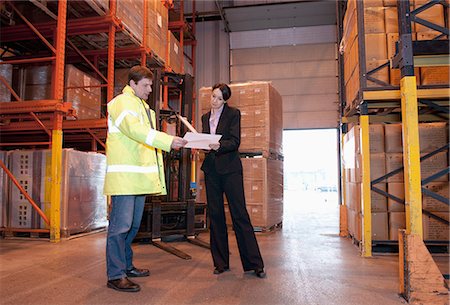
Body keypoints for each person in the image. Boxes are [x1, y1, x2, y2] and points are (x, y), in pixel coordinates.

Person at [103, 65, 187, 292]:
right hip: (125, 178)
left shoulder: (144, 108)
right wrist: (168, 141)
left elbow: (145, 140)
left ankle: (126, 265)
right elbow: (136, 131)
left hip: (137, 178)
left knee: (132, 227)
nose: (151, 89)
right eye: (146, 85)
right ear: (132, 84)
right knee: (120, 228)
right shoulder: (122, 103)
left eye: (151, 85)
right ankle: (115, 275)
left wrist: (168, 140)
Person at [200, 83, 266, 278]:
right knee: (216, 215)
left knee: (239, 214)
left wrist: (217, 145)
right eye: (213, 96)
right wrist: (201, 144)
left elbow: (235, 141)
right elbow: (206, 142)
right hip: (211, 170)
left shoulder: (233, 114)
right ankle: (220, 263)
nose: (215, 101)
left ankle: (254, 264)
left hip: (230, 170)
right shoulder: (205, 118)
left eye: (219, 99)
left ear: (225, 100)